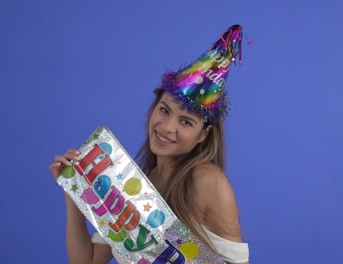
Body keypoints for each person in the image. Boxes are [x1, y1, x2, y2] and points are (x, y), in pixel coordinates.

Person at [49, 25, 249, 264]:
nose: (166, 127)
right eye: (164, 110)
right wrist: (74, 191)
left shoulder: (207, 181)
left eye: (185, 122)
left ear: (203, 135)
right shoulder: (133, 182)